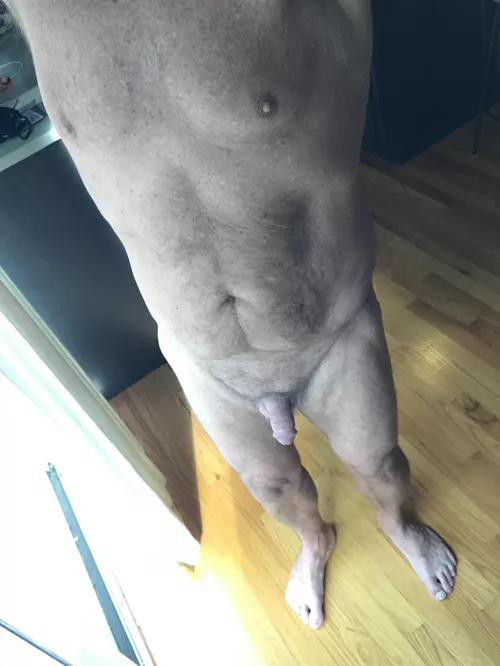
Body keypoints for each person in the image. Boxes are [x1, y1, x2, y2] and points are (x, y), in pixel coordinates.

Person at [10, 0, 456, 629]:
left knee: (382, 466)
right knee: (274, 491)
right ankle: (315, 540)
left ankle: (398, 522)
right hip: (204, 358)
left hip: (331, 333)